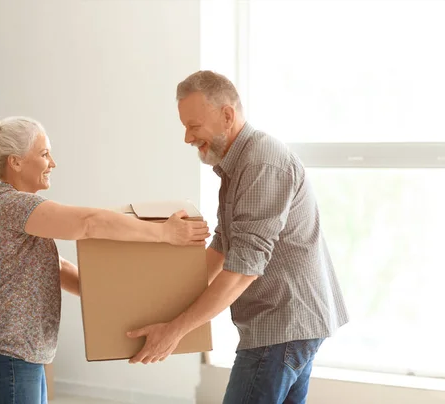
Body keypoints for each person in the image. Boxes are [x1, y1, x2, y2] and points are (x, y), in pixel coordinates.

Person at [127, 71, 349, 404]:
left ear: (227, 115)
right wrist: (165, 296)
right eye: (184, 127)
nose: (187, 138)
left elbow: (244, 268)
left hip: (282, 323)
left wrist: (174, 331)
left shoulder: (262, 163)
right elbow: (224, 243)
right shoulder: (237, 164)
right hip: (290, 322)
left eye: (194, 126)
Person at [0, 116, 210, 404]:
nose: (52, 163)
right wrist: (164, 233)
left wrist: (113, 300)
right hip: (6, 352)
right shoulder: (14, 204)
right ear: (15, 162)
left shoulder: (9, 205)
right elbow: (89, 223)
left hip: (11, 352)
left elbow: (55, 267)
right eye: (44, 154)